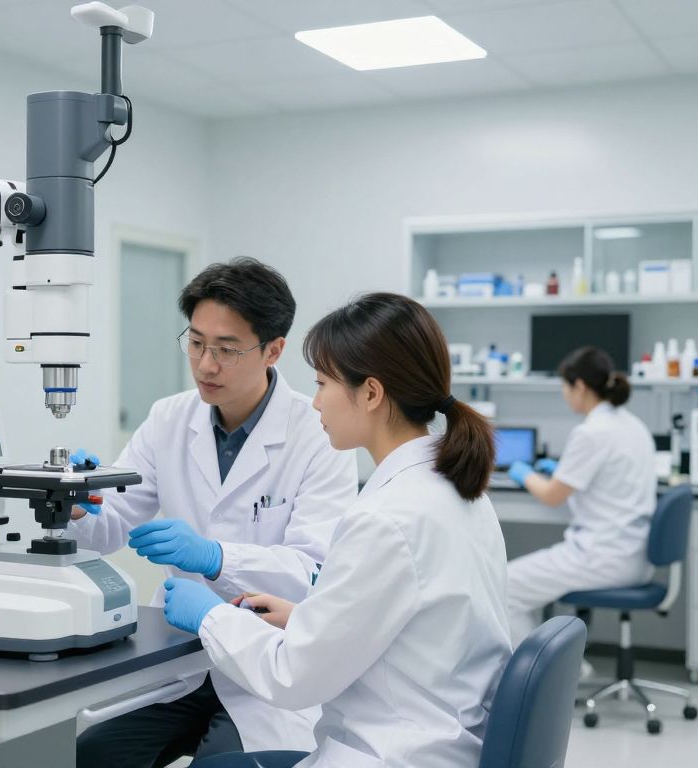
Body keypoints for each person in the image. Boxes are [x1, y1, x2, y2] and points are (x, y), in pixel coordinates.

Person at [161, 292, 512, 768]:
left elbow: (293, 677)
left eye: (323, 383)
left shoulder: (387, 517)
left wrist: (210, 616)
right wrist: (304, 616)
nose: (317, 401)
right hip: (444, 734)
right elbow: (406, 621)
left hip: (391, 753)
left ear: (371, 393)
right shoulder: (457, 488)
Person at [73, 257, 358, 768]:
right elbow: (109, 524)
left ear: (274, 350)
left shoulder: (319, 433)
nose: (206, 365)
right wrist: (78, 503)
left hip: (264, 666)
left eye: (226, 350)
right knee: (92, 752)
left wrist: (215, 558)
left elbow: (316, 572)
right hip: (178, 657)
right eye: (197, 343)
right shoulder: (169, 417)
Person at [505, 346, 656, 645]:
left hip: (602, 555)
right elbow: (607, 479)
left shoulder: (592, 432)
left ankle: (538, 678)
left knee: (502, 587)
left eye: (565, 385)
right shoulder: (632, 425)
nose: (563, 393)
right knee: (519, 589)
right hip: (633, 553)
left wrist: (524, 474)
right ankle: (561, 666)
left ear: (580, 386)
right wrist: (563, 469)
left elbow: (551, 496)